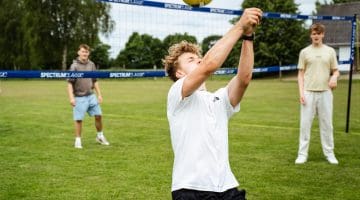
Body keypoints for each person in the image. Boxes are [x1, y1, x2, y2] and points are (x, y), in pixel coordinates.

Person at [163, 8, 262, 200]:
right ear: (180, 74)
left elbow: (244, 78)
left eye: (198, 58)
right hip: (191, 189)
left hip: (227, 187)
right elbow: (209, 65)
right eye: (191, 60)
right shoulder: (177, 94)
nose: (199, 61)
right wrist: (240, 26)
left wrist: (248, 36)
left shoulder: (219, 99)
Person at [295, 23, 340, 164]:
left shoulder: (330, 51)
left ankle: (329, 153)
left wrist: (334, 77)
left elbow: (336, 70)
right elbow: (300, 75)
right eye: (314, 33)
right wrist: (301, 93)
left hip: (326, 93)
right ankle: (302, 154)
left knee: (327, 125)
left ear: (323, 35)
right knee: (305, 125)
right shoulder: (304, 52)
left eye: (318, 33)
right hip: (308, 93)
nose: (316, 36)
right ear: (311, 35)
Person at [67, 44, 109, 149]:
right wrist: (71, 98)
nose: (84, 53)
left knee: (99, 115)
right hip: (79, 97)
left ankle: (100, 136)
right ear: (78, 52)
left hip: (91, 96)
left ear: (88, 53)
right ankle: (77, 141)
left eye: (86, 52)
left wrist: (99, 94)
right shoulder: (74, 66)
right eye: (82, 51)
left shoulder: (91, 65)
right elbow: (69, 84)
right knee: (79, 119)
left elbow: (95, 81)